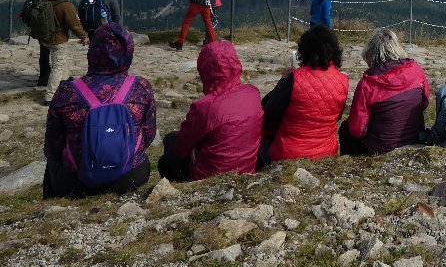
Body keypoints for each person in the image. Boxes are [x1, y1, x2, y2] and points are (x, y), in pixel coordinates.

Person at [42, 22, 156, 198]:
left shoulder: (67, 91)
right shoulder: (141, 87)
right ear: (128, 51)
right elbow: (149, 135)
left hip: (78, 182)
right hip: (130, 176)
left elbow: (52, 147)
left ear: (92, 52)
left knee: (52, 163)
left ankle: (50, 205)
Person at [157, 41, 263, 181]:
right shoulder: (253, 93)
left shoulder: (204, 106)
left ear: (205, 69)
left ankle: (179, 188)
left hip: (210, 176)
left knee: (168, 147)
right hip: (247, 169)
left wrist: (193, 148)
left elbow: (181, 149)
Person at [258, 26, 349, 166]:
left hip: (287, 154)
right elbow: (336, 117)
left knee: (259, 143)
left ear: (304, 51)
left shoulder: (295, 78)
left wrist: (283, 80)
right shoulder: (343, 81)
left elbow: (270, 113)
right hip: (326, 153)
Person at [340, 29, 430, 156]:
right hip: (414, 138)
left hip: (380, 149)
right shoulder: (416, 70)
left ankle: (352, 166)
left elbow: (357, 130)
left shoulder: (368, 84)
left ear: (370, 53)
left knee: (345, 128)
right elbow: (425, 102)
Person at [37, 0, 90, 105]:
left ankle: (65, 84)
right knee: (58, 66)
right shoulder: (65, 5)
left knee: (62, 60)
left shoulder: (44, 0)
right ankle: (50, 97)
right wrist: (83, 37)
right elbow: (75, 25)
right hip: (58, 39)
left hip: (44, 38)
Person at [22, 0, 62, 86]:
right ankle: (54, 78)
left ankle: (43, 77)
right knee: (57, 54)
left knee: (44, 54)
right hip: (50, 29)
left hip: (38, 28)